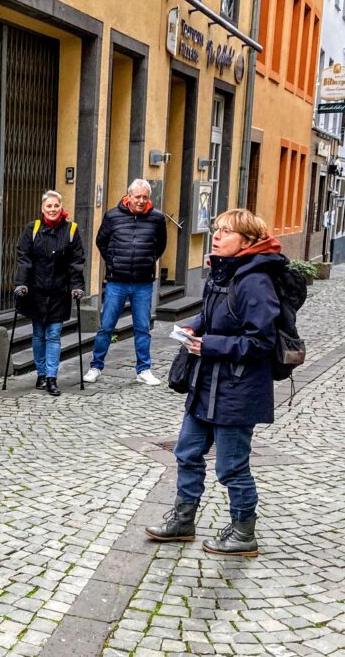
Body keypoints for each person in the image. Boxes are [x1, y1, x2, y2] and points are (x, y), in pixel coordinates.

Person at [145, 209, 283, 557]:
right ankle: (183, 520)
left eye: (226, 231)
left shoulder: (255, 281)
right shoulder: (222, 272)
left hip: (238, 388)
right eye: (217, 229)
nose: (217, 236)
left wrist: (210, 345)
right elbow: (210, 314)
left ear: (247, 241)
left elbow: (261, 342)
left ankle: (243, 532)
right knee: (187, 452)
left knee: (231, 466)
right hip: (206, 382)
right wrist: (194, 326)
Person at [85, 179, 167, 386]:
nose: (141, 201)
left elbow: (161, 245)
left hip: (143, 282)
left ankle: (144, 370)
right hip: (117, 281)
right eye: (137, 197)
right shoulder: (112, 216)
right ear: (128, 196)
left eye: (145, 197)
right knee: (106, 326)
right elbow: (101, 241)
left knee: (142, 328)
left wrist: (148, 260)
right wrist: (113, 261)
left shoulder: (157, 218)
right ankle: (95, 366)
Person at [13, 191, 86, 396]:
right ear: (42, 208)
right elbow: (24, 257)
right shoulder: (33, 228)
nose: (53, 209)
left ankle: (52, 378)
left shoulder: (71, 230)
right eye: (49, 206)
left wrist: (77, 286)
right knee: (38, 335)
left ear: (61, 207)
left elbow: (76, 261)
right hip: (36, 291)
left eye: (56, 206)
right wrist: (21, 283)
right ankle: (41, 374)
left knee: (53, 335)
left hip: (59, 292)